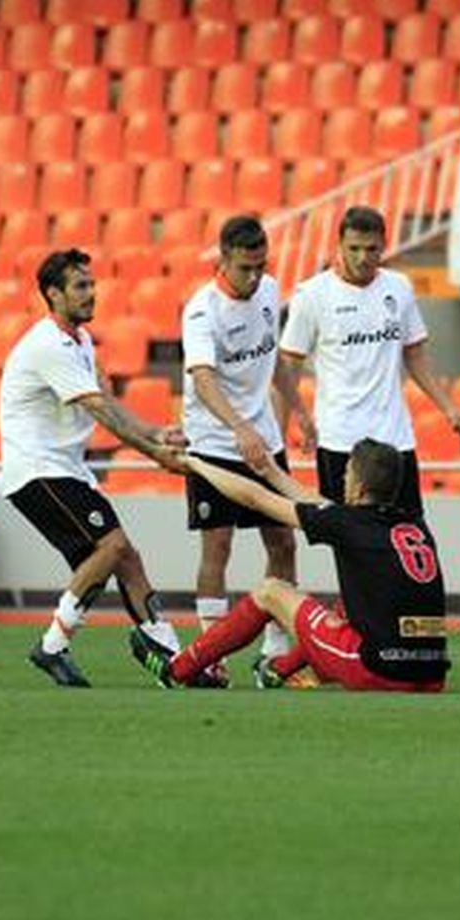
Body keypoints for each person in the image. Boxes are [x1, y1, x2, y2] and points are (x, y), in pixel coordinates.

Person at [0, 248, 199, 689]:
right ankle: (52, 645)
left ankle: (170, 655)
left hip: (63, 470)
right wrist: (155, 455)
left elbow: (106, 401)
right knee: (113, 546)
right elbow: (98, 409)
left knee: (124, 555)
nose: (91, 293)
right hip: (37, 471)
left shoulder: (81, 341)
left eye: (92, 284)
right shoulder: (48, 345)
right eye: (80, 286)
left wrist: (156, 433)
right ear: (54, 294)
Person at [133, 439, 449, 694]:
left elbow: (256, 499)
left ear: (360, 489)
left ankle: (177, 670)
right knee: (345, 610)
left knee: (271, 592)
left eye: (348, 474)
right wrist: (271, 472)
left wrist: (195, 465)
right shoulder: (414, 526)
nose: (343, 480)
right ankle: (277, 670)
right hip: (432, 676)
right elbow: (317, 504)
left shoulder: (348, 522)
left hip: (377, 671)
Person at [275, 206, 460, 515]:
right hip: (341, 440)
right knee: (347, 536)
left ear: (384, 246)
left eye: (371, 249)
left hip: (395, 439)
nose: (362, 257)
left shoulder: (399, 287)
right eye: (354, 248)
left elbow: (414, 354)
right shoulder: (313, 295)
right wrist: (280, 435)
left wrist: (448, 407)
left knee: (406, 529)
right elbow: (288, 369)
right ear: (339, 245)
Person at [179, 214, 299, 681]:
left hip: (263, 439)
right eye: (245, 268)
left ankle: (275, 650)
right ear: (224, 259)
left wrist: (300, 411)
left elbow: (273, 357)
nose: (254, 276)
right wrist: (239, 428)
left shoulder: (269, 291)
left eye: (260, 266)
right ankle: (212, 656)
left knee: (284, 541)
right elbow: (203, 379)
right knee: (218, 546)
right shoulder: (201, 311)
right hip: (215, 442)